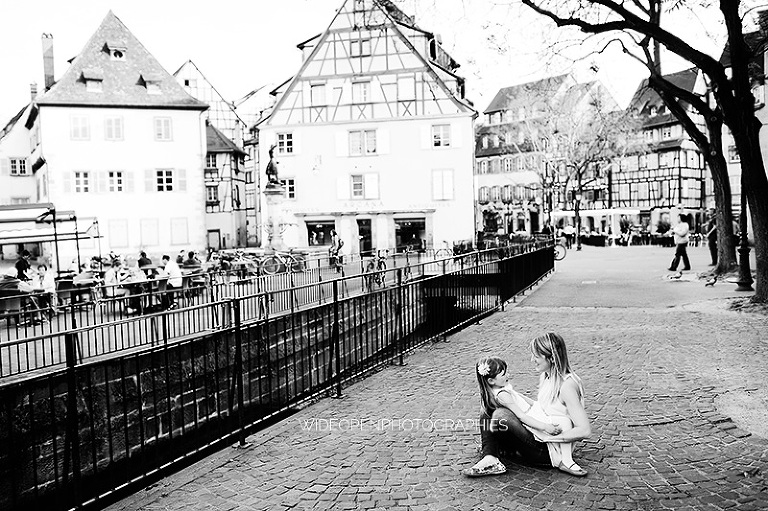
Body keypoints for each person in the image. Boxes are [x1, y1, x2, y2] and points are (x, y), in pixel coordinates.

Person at [465, 333, 591, 478]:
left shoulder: (567, 386)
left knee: (500, 415)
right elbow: (542, 409)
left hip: (549, 451)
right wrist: (509, 397)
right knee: (489, 405)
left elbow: (584, 431)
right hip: (538, 433)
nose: (532, 360)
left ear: (551, 358)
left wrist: (549, 438)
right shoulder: (547, 375)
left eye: (536, 356)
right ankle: (490, 457)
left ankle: (494, 453)